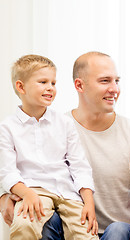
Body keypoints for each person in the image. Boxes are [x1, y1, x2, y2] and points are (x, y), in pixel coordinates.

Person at [0, 52, 130, 240]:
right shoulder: (53, 127)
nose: (114, 89)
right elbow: (23, 166)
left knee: (117, 229)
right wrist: (3, 196)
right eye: (105, 81)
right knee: (43, 216)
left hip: (121, 229)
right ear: (80, 85)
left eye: (116, 81)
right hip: (73, 226)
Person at [0, 54, 98, 239]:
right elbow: (7, 172)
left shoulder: (65, 123)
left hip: (67, 193)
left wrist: (89, 202)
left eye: (53, 83)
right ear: (21, 87)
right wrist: (26, 193)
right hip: (32, 190)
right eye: (43, 82)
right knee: (23, 224)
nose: (50, 88)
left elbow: (79, 166)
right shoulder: (7, 128)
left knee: (87, 233)